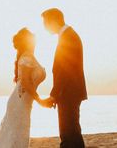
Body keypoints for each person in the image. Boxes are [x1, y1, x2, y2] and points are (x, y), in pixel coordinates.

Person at [0, 28, 46, 148]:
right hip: (20, 102)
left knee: (17, 134)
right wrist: (41, 101)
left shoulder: (28, 57)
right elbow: (25, 83)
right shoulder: (27, 58)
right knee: (17, 135)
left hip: (24, 101)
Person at [38, 8, 87, 148]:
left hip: (69, 93)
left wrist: (54, 95)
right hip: (68, 92)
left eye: (45, 23)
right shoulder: (67, 35)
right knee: (72, 133)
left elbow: (65, 71)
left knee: (68, 134)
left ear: (53, 21)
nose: (44, 27)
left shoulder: (68, 37)